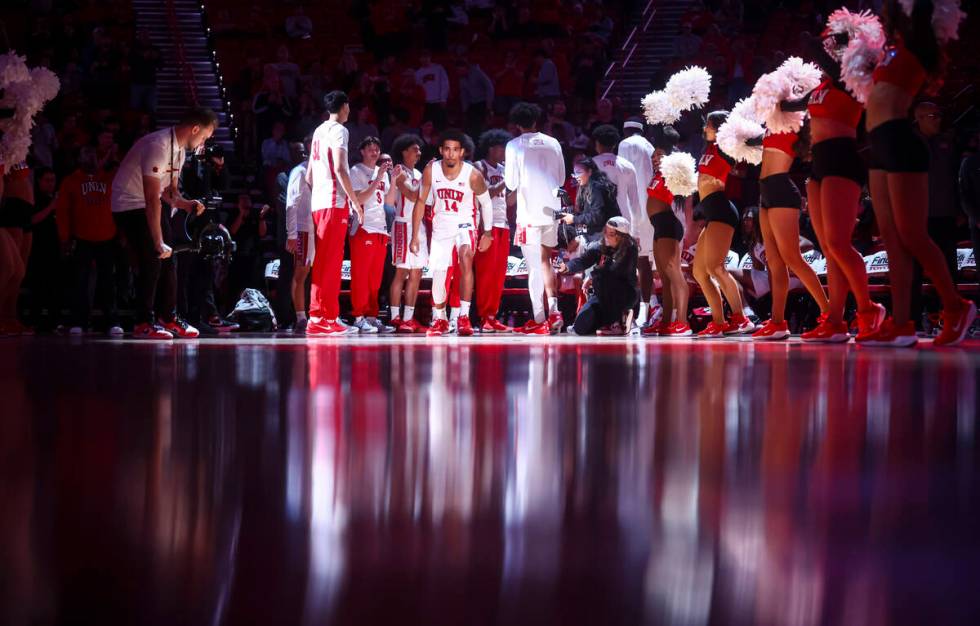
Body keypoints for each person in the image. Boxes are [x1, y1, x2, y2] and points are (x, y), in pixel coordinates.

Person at [861, 8, 974, 347]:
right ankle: (902, 322)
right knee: (892, 239)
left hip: (899, 139)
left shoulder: (920, 46)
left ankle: (957, 307)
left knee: (912, 234)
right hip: (878, 143)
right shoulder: (889, 51)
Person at [797, 33, 884, 344]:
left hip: (842, 160)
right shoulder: (822, 85)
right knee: (830, 250)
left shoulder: (850, 81)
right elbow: (792, 104)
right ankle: (835, 320)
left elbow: (832, 64)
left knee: (838, 243)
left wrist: (835, 48)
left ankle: (867, 308)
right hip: (818, 164)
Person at [111, 107, 217, 339]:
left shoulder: (179, 150)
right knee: (154, 257)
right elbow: (151, 198)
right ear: (195, 128)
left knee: (170, 260)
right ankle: (142, 322)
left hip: (150, 203)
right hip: (129, 204)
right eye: (204, 137)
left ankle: (168, 317)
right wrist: (158, 240)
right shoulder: (158, 146)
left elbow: (169, 194)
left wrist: (187, 204)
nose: (203, 143)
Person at [409, 129, 493, 337]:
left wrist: (488, 233)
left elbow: (486, 203)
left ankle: (463, 316)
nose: (450, 154)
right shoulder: (431, 170)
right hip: (441, 227)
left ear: (462, 152)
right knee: (439, 272)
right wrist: (413, 236)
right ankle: (440, 318)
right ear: (441, 151)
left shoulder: (472, 174)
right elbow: (420, 202)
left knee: (465, 258)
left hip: (465, 224)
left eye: (455, 150)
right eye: (447, 149)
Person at [751, 128, 830, 340]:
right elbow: (752, 140)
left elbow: (800, 101)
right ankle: (777, 322)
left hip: (782, 191)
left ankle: (828, 313)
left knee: (792, 257)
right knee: (774, 262)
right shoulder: (771, 123)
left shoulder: (790, 120)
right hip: (765, 191)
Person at [691, 111, 756, 338]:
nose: (704, 127)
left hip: (721, 210)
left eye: (708, 124)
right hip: (711, 213)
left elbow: (743, 161)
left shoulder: (725, 148)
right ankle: (718, 322)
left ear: (718, 127)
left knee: (716, 268)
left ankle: (741, 318)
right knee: (700, 271)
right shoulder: (707, 150)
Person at [505, 102, 566, 335]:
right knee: (546, 262)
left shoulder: (513, 145)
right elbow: (560, 179)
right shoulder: (553, 142)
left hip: (529, 213)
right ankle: (555, 311)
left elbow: (511, 183)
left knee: (534, 268)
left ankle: (540, 319)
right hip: (552, 211)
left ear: (518, 124)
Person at [306, 90, 363, 336]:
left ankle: (324, 315)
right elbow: (340, 167)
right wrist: (354, 201)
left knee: (325, 262)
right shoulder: (340, 130)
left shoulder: (318, 131)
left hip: (319, 202)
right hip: (332, 202)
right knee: (329, 263)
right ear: (344, 106)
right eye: (348, 105)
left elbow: (309, 175)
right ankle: (322, 317)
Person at [55, 147, 120, 335]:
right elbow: (63, 212)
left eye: (94, 156)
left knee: (108, 282)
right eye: (87, 157)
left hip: (108, 237)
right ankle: (79, 321)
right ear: (80, 160)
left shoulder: (109, 177)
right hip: (82, 238)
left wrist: (122, 234)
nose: (91, 160)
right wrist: (64, 237)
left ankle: (112, 321)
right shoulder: (70, 181)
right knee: (80, 282)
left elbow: (120, 203)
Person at [642, 126, 692, 337]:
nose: (655, 158)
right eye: (653, 155)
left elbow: (686, 196)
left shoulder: (672, 174)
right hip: (659, 226)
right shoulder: (657, 174)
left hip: (668, 225)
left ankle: (683, 322)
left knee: (675, 274)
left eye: (660, 155)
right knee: (664, 277)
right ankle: (666, 322)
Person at [558, 217, 639, 335]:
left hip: (624, 295)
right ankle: (609, 321)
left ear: (621, 236)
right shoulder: (600, 246)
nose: (606, 235)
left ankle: (616, 320)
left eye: (611, 233)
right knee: (581, 327)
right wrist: (567, 267)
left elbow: (615, 270)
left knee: (604, 278)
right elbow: (583, 261)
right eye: (606, 231)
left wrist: (591, 277)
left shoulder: (630, 248)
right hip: (603, 295)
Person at [349, 137, 396, 334]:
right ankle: (358, 317)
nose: (375, 152)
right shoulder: (356, 171)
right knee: (361, 276)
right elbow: (358, 198)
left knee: (375, 279)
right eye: (370, 149)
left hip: (379, 228)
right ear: (362, 151)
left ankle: (371, 315)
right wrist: (378, 178)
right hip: (363, 227)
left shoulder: (381, 173)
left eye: (377, 149)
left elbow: (389, 202)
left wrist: (393, 180)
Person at [617, 119, 658, 327]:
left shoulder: (624, 145)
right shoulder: (650, 146)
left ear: (625, 131)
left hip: (633, 211)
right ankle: (650, 305)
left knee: (632, 262)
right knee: (645, 262)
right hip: (651, 209)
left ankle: (635, 311)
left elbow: (622, 177)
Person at [474, 129, 514, 332]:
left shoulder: (504, 168)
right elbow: (486, 194)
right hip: (485, 226)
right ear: (492, 148)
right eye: (501, 148)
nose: (504, 152)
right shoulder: (479, 167)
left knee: (499, 275)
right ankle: (483, 316)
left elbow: (506, 201)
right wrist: (507, 181)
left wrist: (518, 186)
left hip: (503, 224)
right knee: (486, 274)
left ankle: (493, 315)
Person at [389, 134, 428, 334]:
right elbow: (412, 194)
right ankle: (395, 317)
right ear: (404, 151)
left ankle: (408, 318)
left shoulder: (420, 174)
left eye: (419, 150)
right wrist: (428, 179)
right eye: (415, 149)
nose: (418, 153)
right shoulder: (399, 171)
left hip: (419, 226)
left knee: (417, 272)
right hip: (403, 225)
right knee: (402, 272)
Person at [0, 162, 35, 335]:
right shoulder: (6, 146)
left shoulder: (15, 146)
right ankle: (4, 317)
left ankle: (9, 317)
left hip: (25, 208)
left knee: (20, 271)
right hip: (12, 206)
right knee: (9, 268)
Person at [285, 140, 314, 333]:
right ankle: (300, 317)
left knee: (315, 275)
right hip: (303, 229)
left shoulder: (322, 170)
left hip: (318, 229)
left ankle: (318, 315)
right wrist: (292, 234)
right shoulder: (300, 171)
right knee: (300, 273)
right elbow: (290, 204)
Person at [564, 157, 621, 242]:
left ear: (590, 172)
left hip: (604, 232)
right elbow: (586, 213)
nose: (576, 177)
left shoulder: (596, 188)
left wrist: (573, 219)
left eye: (579, 173)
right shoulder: (585, 186)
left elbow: (597, 217)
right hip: (595, 230)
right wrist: (571, 212)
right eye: (574, 174)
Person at [415, 50, 449, 128]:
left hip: (438, 102)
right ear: (419, 59)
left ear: (430, 58)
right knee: (427, 126)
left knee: (440, 126)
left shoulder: (438, 68)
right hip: (425, 103)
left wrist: (443, 98)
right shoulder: (418, 73)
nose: (425, 59)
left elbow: (445, 83)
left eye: (426, 57)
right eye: (422, 57)